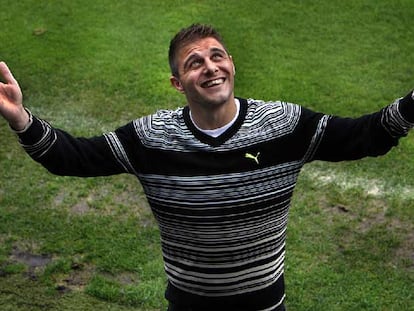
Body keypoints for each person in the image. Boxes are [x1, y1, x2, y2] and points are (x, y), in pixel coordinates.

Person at [0, 23, 413, 311]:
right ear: (178, 83)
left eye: (217, 56)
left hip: (265, 304)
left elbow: (365, 136)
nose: (210, 66)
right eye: (195, 62)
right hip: (188, 305)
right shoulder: (151, 138)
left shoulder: (283, 125)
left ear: (231, 64)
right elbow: (75, 158)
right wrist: (20, 117)